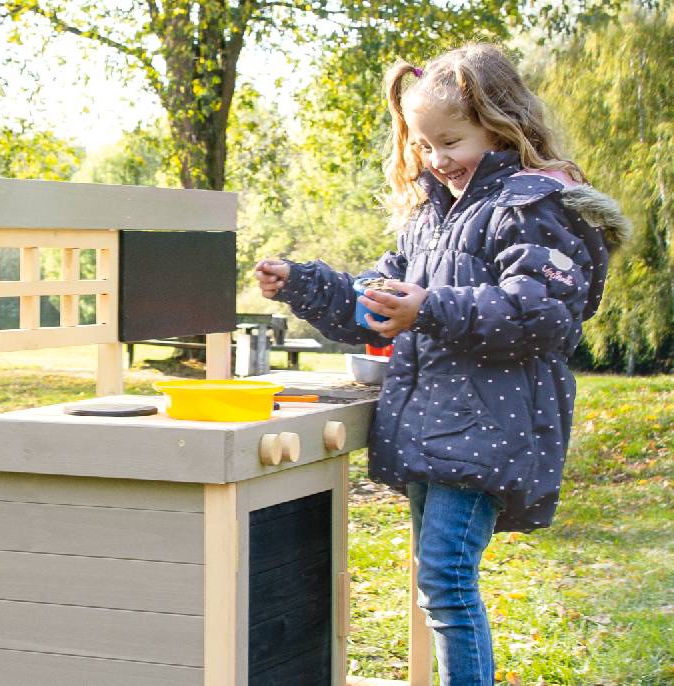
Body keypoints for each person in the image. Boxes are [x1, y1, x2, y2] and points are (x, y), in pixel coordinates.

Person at [254, 43, 630, 686]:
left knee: (447, 580)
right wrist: (304, 284)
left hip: (488, 427)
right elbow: (375, 306)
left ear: (501, 124)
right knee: (439, 583)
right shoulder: (431, 218)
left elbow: (541, 315)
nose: (437, 159)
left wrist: (428, 307)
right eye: (425, 145)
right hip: (433, 425)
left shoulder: (533, 208)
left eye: (451, 141)